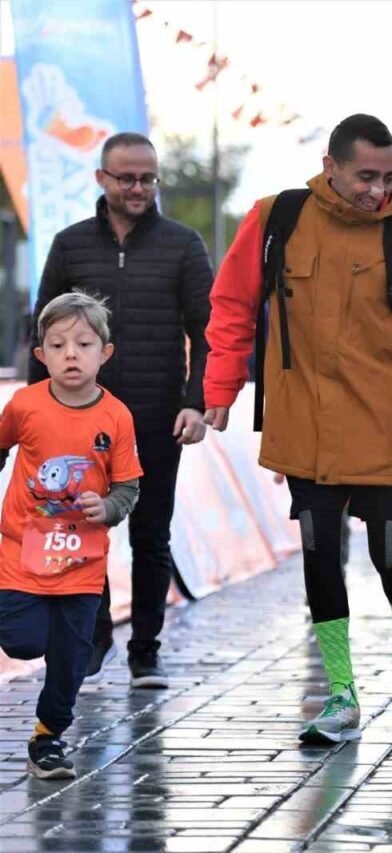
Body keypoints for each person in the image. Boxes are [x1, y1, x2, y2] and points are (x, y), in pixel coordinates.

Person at [202, 114, 392, 744]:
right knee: (319, 549)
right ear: (330, 166)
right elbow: (231, 306)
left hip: (382, 422)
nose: (378, 190)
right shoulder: (275, 219)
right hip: (301, 420)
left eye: (388, 177)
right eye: (366, 176)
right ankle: (341, 694)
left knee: (390, 553)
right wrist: (219, 390)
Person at [30, 133, 212, 690]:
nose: (137, 188)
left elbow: (209, 331)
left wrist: (197, 402)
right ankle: (96, 636)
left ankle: (145, 652)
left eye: (147, 178)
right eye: (126, 178)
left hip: (157, 418)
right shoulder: (69, 245)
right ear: (102, 179)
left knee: (151, 537)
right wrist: (38, 412)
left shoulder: (183, 245)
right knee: (86, 532)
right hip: (82, 421)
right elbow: (42, 330)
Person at [0, 292, 144, 778]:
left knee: (71, 658)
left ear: (106, 353)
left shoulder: (117, 416)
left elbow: (128, 486)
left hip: (83, 562)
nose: (71, 355)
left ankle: (47, 738)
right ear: (41, 355)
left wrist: (107, 507)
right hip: (21, 550)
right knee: (23, 642)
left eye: (83, 344)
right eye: (58, 345)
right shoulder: (25, 405)